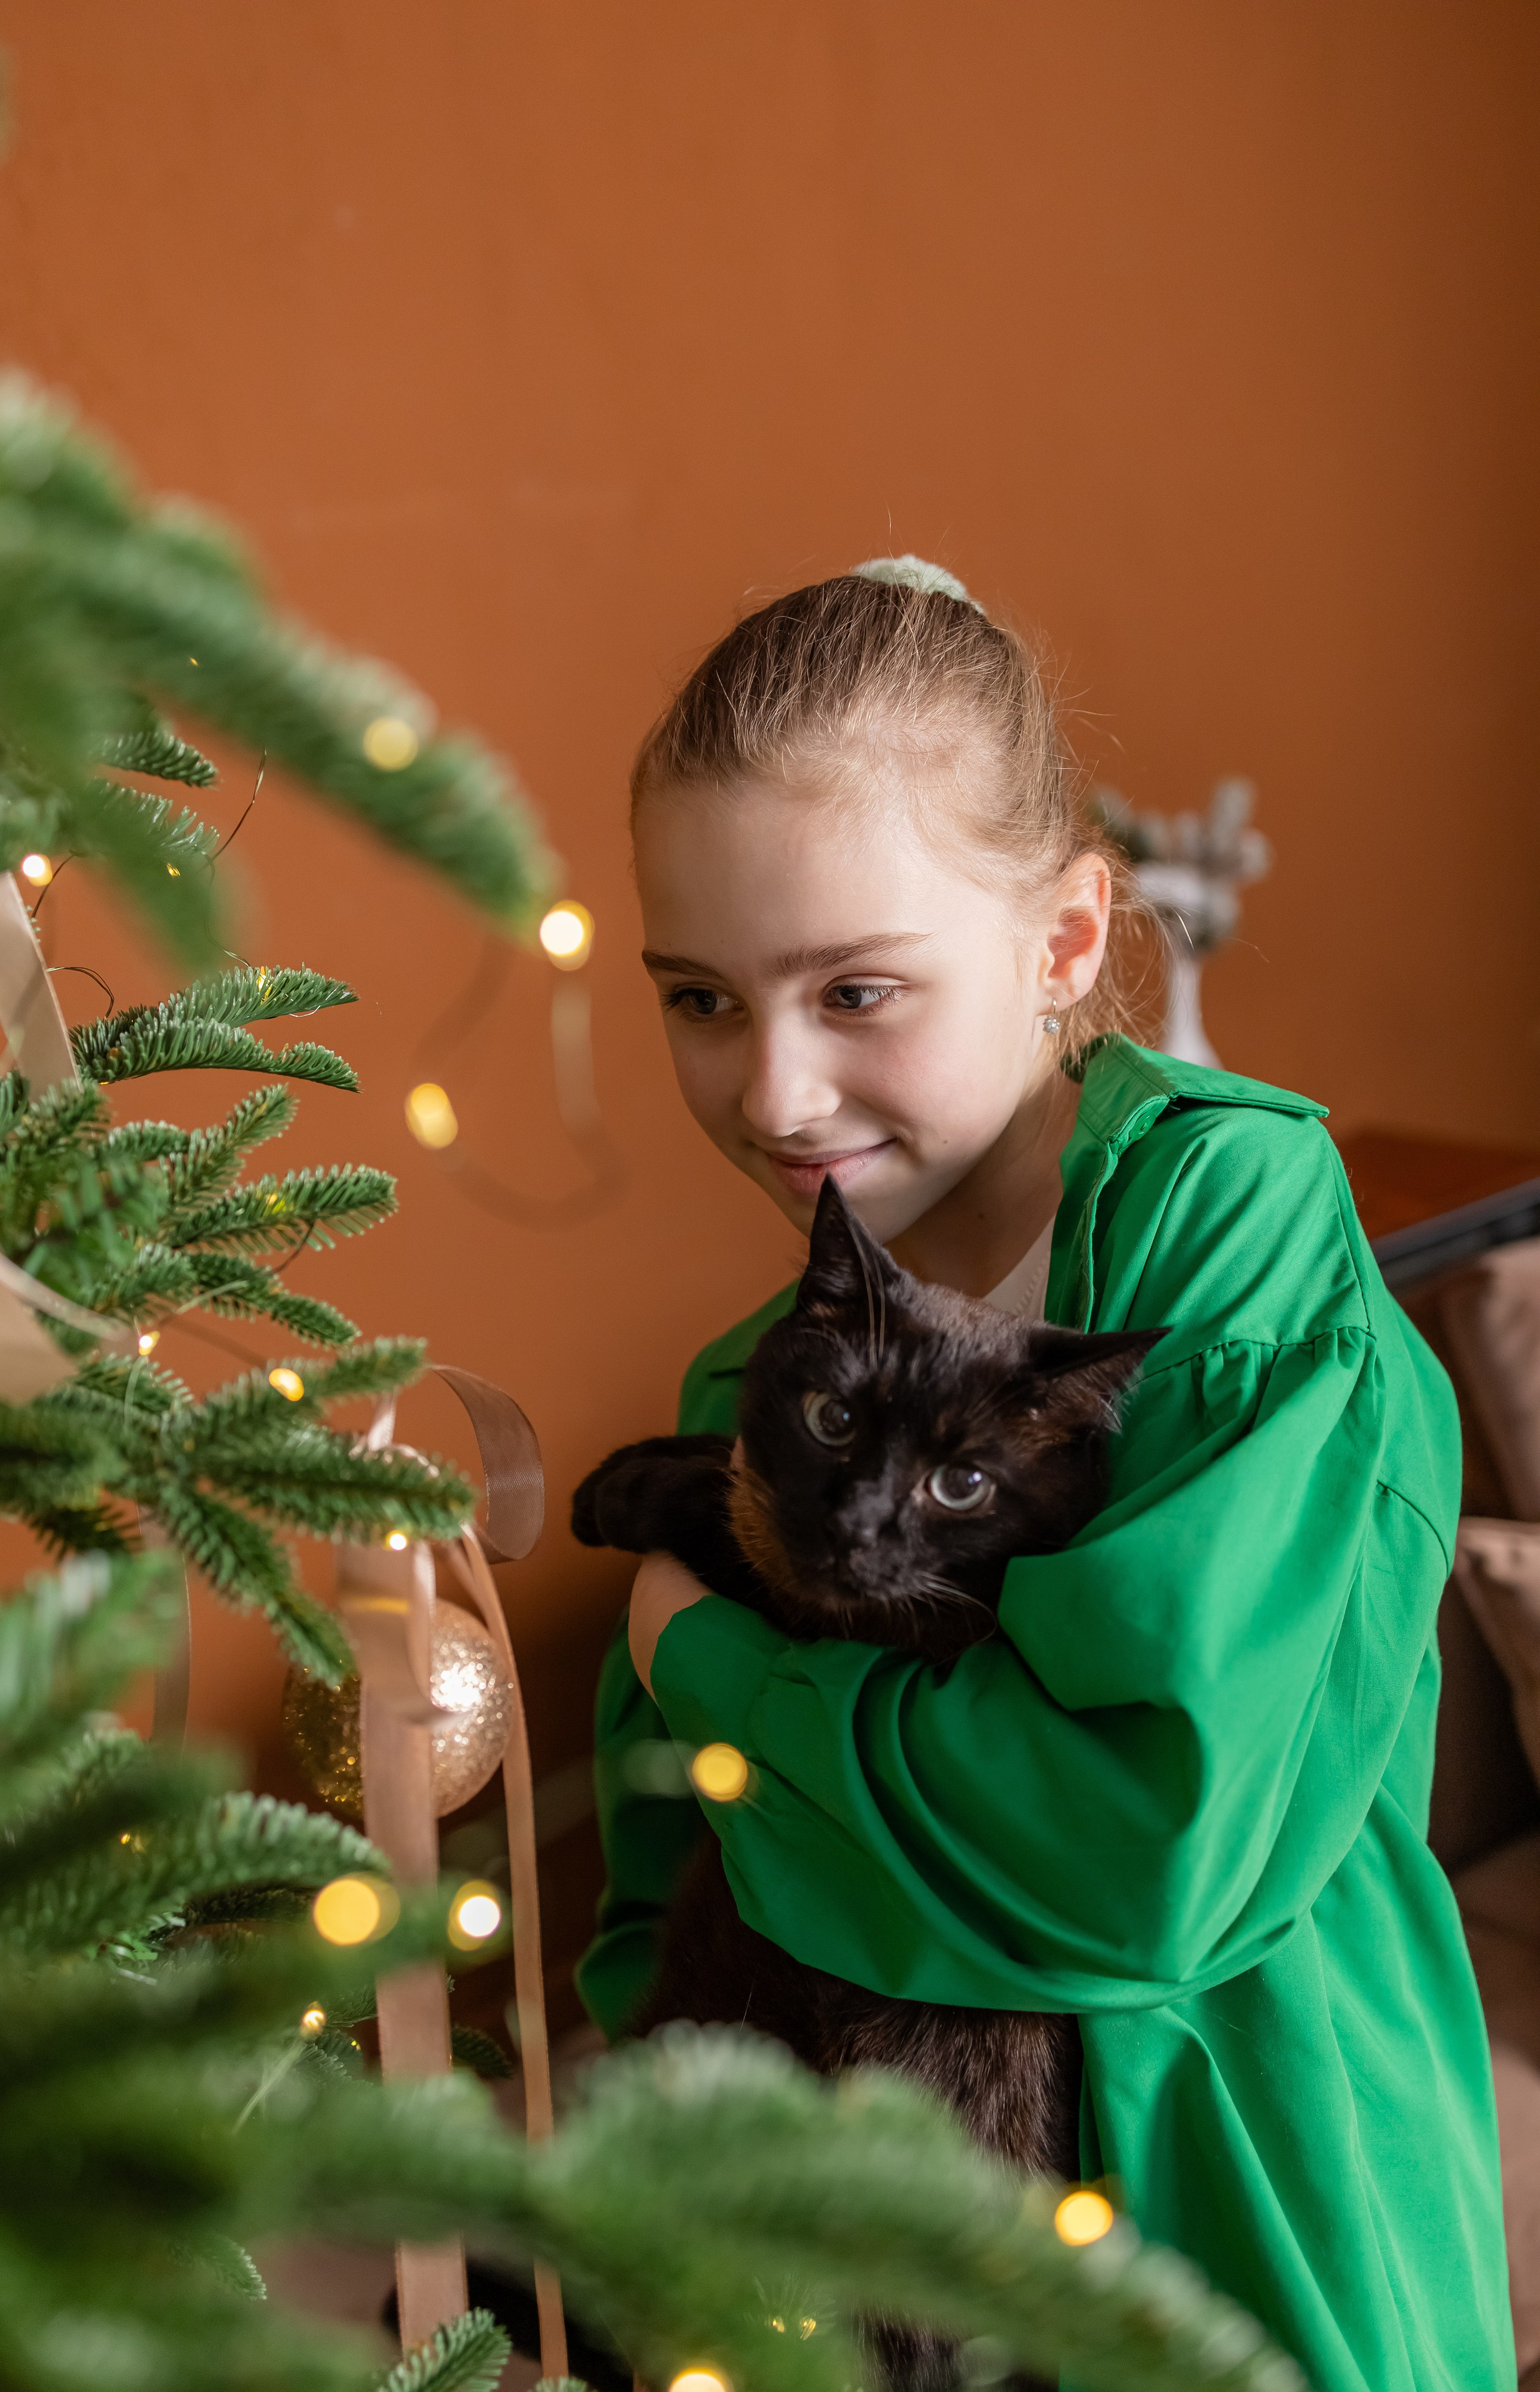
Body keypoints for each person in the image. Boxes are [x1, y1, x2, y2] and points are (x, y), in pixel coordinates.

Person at [574, 558, 1512, 2391]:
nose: (771, 1093)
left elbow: (1141, 1863)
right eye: (696, 998)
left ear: (1070, 942)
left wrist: (719, 1663)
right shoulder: (751, 1383)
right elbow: (673, 1909)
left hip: (1240, 2223)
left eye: (855, 989)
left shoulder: (1223, 1232)